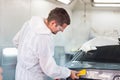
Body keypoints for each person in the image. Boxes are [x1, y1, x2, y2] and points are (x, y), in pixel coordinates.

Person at [13, 7, 79, 80]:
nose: (62, 31)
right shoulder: (43, 37)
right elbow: (49, 68)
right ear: (53, 23)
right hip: (33, 77)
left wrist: (26, 59)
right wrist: (69, 73)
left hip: (20, 73)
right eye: (60, 29)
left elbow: (16, 41)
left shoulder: (29, 24)